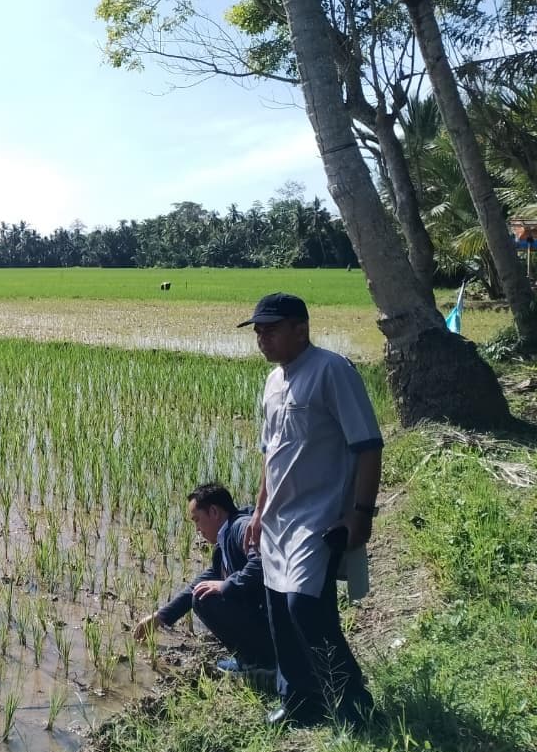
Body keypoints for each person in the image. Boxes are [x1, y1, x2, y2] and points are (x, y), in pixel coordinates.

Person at [238, 293, 382, 728]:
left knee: (306, 609)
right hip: (279, 518)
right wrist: (260, 511)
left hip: (318, 518)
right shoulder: (273, 382)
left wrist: (361, 514)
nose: (262, 338)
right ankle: (301, 700)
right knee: (280, 612)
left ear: (301, 329)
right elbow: (271, 454)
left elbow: (368, 445)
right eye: (258, 330)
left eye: (272, 329)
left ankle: (354, 706)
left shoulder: (332, 370)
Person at [133, 483, 275, 675]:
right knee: (202, 591)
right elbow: (200, 583)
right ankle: (255, 658)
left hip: (273, 624)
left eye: (197, 520)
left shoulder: (240, 527)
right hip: (265, 620)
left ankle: (260, 662)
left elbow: (263, 562)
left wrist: (226, 585)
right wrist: (161, 617)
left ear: (214, 512)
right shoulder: (225, 539)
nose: (197, 529)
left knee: (204, 599)